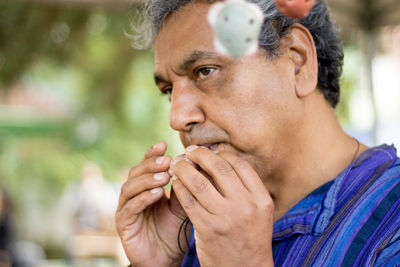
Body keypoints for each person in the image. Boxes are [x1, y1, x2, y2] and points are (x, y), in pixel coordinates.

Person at [115, 0, 400, 266]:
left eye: (205, 71)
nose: (177, 117)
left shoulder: (390, 223)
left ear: (297, 62)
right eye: (169, 91)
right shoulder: (202, 227)